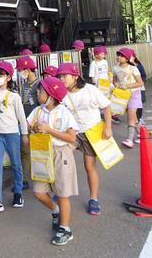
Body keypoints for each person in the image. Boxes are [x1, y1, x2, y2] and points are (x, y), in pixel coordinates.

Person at [27, 77, 79, 247]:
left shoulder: (64, 112)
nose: (38, 93)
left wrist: (50, 130)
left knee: (63, 194)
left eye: (41, 91)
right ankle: (55, 211)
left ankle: (65, 229)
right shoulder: (38, 111)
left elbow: (71, 137)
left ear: (51, 95)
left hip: (60, 154)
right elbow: (28, 125)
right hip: (42, 153)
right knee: (39, 192)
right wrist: (33, 128)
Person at [57, 63, 112, 215]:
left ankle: (93, 199)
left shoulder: (90, 90)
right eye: (60, 76)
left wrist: (108, 127)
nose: (61, 79)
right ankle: (61, 192)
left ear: (75, 77)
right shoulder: (62, 93)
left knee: (89, 167)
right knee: (62, 159)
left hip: (91, 132)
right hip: (72, 133)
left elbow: (106, 107)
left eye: (64, 76)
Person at [0, 61, 28, 212]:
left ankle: (18, 193)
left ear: (9, 77)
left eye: (1, 75)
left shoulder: (14, 97)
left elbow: (21, 117)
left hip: (12, 134)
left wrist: (24, 134)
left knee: (16, 164)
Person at [16, 55, 40, 190]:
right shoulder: (24, 85)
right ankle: (24, 179)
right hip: (25, 122)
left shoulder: (39, 85)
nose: (20, 72)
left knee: (38, 152)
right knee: (25, 151)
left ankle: (42, 177)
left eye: (21, 70)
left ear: (28, 69)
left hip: (36, 123)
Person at [112, 48, 144, 148]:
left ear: (127, 58)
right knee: (133, 117)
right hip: (123, 95)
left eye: (121, 56)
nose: (118, 57)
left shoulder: (133, 69)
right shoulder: (115, 68)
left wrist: (127, 86)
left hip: (134, 94)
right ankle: (142, 134)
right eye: (118, 55)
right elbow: (115, 80)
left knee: (130, 116)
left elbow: (140, 83)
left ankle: (129, 140)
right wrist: (116, 84)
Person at [129, 54, 148, 130]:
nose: (129, 58)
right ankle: (135, 119)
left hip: (140, 87)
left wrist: (141, 82)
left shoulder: (138, 65)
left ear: (134, 57)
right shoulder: (126, 66)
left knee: (140, 104)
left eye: (131, 56)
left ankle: (140, 118)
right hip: (131, 88)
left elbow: (143, 75)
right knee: (133, 105)